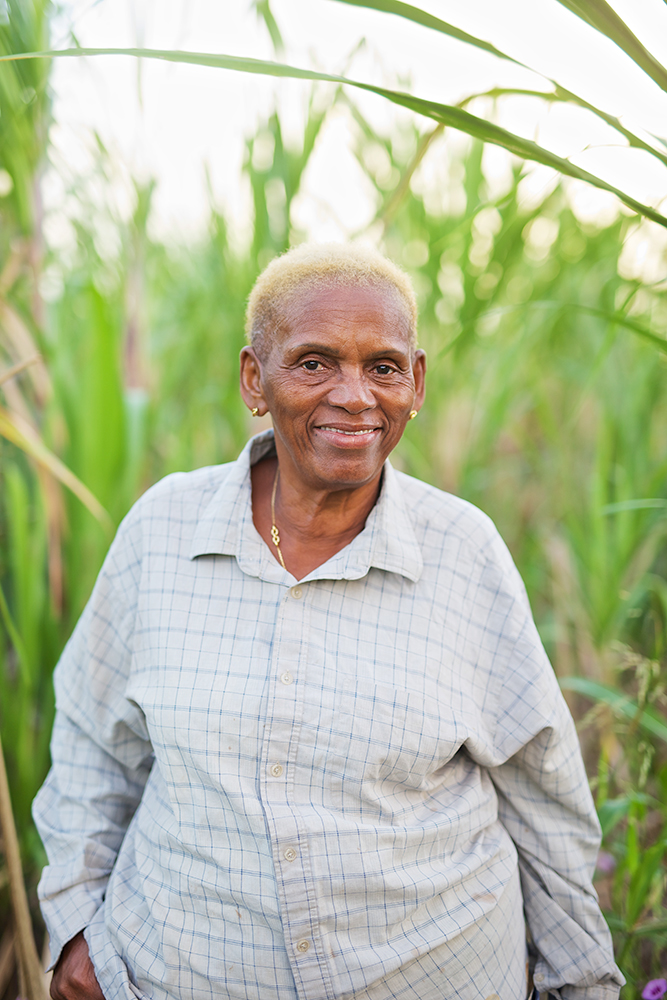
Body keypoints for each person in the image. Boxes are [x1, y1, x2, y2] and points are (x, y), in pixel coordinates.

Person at [34, 243, 622, 1000]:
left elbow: (543, 794)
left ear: (415, 383)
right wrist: (76, 928)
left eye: (381, 367)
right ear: (255, 378)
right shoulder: (162, 531)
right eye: (313, 363)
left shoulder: (461, 552)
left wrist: (583, 983)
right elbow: (90, 743)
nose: (354, 395)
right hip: (177, 975)